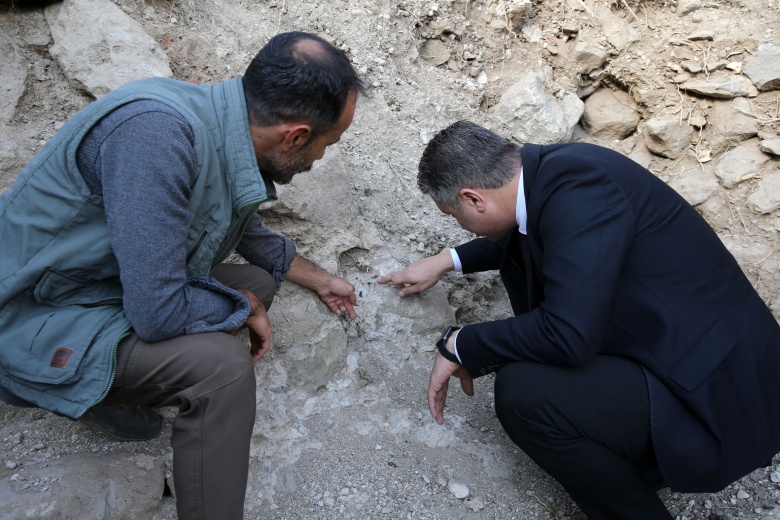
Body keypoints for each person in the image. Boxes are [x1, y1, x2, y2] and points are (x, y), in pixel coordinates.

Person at [0, 32, 364, 519]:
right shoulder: (157, 133)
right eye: (326, 144)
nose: (320, 159)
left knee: (256, 282)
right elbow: (157, 313)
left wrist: (316, 277)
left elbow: (237, 221)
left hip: (98, 289)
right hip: (31, 317)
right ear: (296, 135)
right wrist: (241, 308)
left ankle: (104, 390)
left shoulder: (220, 118)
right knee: (223, 370)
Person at [379, 120, 780, 519]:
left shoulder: (581, 187)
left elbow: (567, 335)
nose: (459, 224)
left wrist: (459, 342)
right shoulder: (554, 174)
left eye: (454, 216)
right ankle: (631, 464)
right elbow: (538, 232)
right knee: (533, 371)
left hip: (721, 386)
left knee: (525, 394)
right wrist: (448, 260)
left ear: (473, 199)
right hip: (677, 352)